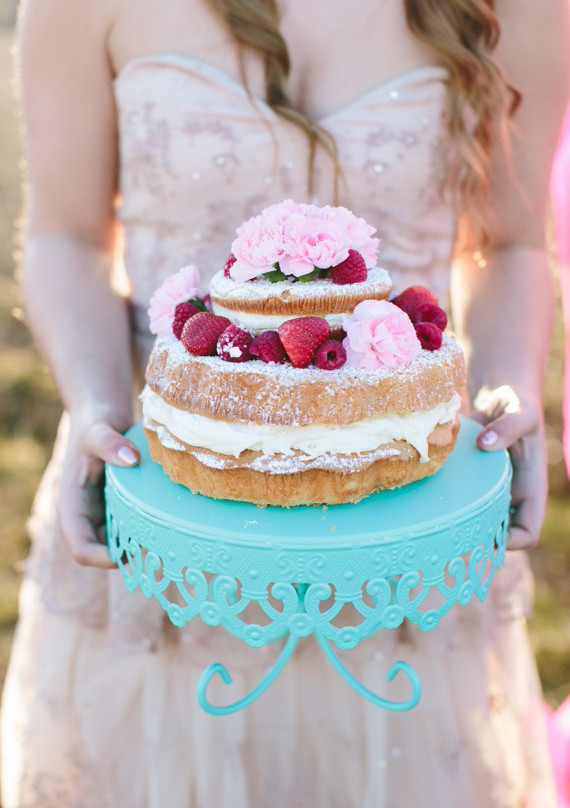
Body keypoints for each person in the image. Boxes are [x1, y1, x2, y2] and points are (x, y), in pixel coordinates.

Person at [1, 0, 569, 805]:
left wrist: (504, 387)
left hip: (405, 520)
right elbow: (67, 238)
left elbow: (510, 243)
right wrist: (98, 405)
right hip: (164, 506)